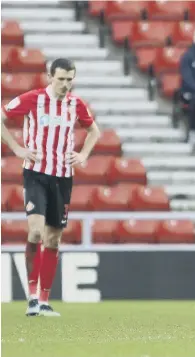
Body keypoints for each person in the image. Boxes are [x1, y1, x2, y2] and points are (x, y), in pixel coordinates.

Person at [1, 58, 101, 317]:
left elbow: (94, 131)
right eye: (61, 79)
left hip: (63, 177)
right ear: (49, 77)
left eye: (70, 79)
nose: (66, 84)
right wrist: (16, 148)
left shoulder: (75, 104)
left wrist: (83, 155)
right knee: (35, 232)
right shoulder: (33, 99)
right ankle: (32, 297)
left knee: (54, 238)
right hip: (35, 174)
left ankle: (44, 300)